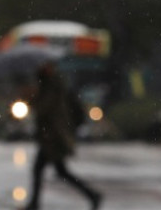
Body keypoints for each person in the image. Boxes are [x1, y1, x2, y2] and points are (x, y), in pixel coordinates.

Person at [24, 62, 102, 210]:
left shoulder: (53, 85)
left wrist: (32, 100)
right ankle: (92, 195)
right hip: (50, 136)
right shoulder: (48, 84)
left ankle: (92, 195)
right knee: (58, 171)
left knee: (44, 170)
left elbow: (44, 108)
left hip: (54, 137)